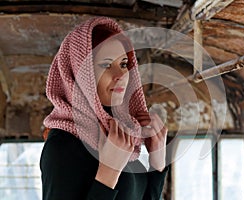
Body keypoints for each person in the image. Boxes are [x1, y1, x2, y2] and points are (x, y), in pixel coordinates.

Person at [40, 17, 168, 200]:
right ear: (80, 75)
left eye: (124, 64)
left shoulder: (124, 137)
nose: (121, 75)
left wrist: (158, 163)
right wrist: (108, 172)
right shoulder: (63, 145)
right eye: (106, 65)